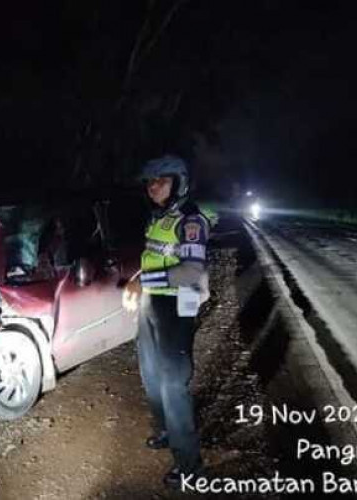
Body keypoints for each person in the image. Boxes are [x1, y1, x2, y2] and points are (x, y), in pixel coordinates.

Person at [121, 155, 211, 488]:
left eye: (161, 180)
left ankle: (189, 466)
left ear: (180, 183)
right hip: (152, 301)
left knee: (174, 381)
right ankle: (165, 429)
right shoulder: (158, 218)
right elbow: (151, 260)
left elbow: (190, 271)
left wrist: (143, 282)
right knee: (150, 371)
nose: (153, 187)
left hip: (179, 302)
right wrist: (137, 283)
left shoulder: (191, 221)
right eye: (150, 181)